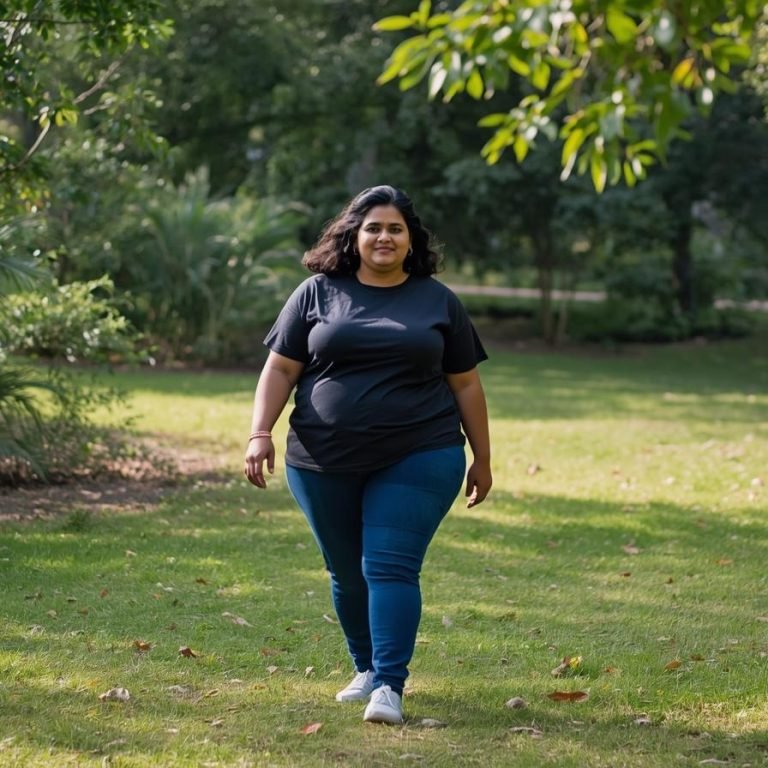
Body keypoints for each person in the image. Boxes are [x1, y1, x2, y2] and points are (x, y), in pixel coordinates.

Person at [243, 185, 492, 725]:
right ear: (353, 235)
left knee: (388, 566)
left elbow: (466, 384)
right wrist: (259, 432)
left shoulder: (438, 300)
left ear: (410, 241)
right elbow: (281, 368)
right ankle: (366, 667)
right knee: (345, 571)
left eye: (395, 228)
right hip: (321, 457)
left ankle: (389, 686)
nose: (384, 236)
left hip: (421, 451)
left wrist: (483, 457)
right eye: (374, 227)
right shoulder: (315, 292)